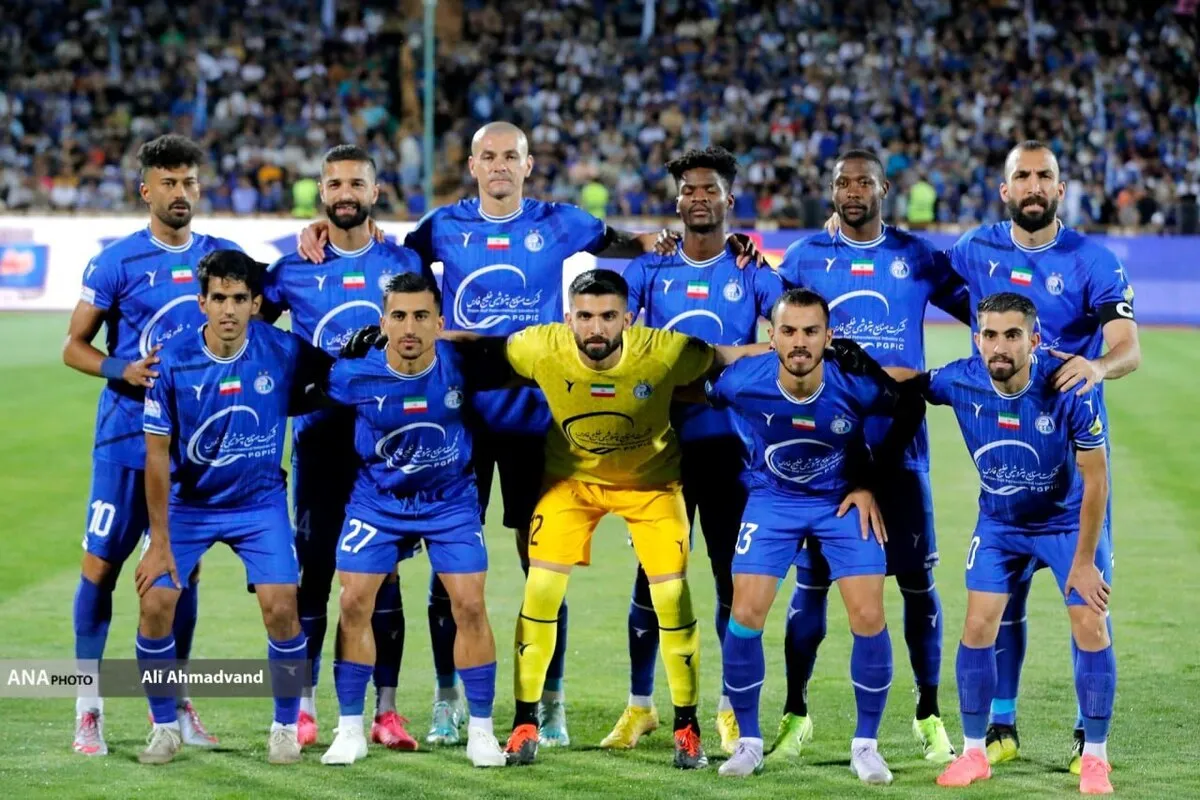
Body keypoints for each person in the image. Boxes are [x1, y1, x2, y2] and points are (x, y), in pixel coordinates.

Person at [296, 120, 761, 748]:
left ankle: (549, 703)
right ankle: (437, 700)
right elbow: (392, 260)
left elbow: (634, 241)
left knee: (543, 566)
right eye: (487, 156)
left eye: (509, 156)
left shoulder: (561, 222)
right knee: (436, 570)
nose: (498, 166)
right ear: (472, 164)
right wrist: (328, 229)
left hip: (536, 419)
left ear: (527, 165)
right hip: (459, 417)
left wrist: (720, 242)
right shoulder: (439, 226)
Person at [450, 268, 765, 769]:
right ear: (568, 318)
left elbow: (727, 357)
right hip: (571, 485)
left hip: (652, 486)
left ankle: (686, 726)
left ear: (628, 319)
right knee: (540, 591)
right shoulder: (539, 347)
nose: (596, 328)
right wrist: (417, 338)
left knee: (671, 598)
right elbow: (478, 348)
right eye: (585, 317)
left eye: (608, 317)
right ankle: (526, 722)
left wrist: (795, 350)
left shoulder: (666, 351)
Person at [946, 142, 1139, 772]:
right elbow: (919, 275)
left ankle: (1089, 735)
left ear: (1060, 188)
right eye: (1022, 176)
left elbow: (1128, 347)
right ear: (1005, 189)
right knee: (1001, 603)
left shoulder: (1092, 259)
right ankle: (1000, 725)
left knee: (1086, 600)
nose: (1034, 185)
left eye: (1045, 176)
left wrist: (1096, 367)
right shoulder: (975, 248)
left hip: (1070, 445)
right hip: (1007, 450)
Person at [774, 149, 969, 764]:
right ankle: (795, 713)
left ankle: (929, 713)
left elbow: (980, 309)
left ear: (884, 188)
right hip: (825, 450)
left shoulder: (917, 256)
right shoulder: (803, 257)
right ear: (831, 190)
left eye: (864, 181)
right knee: (813, 582)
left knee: (917, 582)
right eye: (842, 182)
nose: (853, 190)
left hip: (901, 447)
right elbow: (775, 328)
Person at [62, 134, 241, 756]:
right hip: (125, 442)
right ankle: (88, 708)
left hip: (192, 446)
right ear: (146, 190)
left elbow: (258, 313)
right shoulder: (116, 261)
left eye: (189, 181)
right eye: (168, 183)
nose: (180, 192)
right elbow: (74, 346)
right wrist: (123, 370)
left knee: (178, 573)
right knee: (101, 569)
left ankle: (175, 703)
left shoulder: (220, 258)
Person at [708, 289, 925, 785]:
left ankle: (866, 746)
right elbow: (699, 397)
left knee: (868, 614)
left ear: (829, 337)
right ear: (772, 337)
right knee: (745, 613)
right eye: (789, 331)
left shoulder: (853, 383)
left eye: (811, 332)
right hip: (772, 499)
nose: (799, 342)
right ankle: (748, 742)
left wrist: (870, 483)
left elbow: (910, 405)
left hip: (840, 501)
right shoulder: (743, 380)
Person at [605, 146, 781, 755]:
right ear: (677, 200)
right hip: (663, 450)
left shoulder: (752, 270)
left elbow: (792, 337)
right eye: (688, 190)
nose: (698, 198)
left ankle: (731, 709)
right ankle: (640, 706)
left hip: (733, 448)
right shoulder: (650, 268)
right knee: (652, 577)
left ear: (730, 199)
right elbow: (617, 343)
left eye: (709, 189)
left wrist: (718, 360)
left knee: (733, 580)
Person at [262, 145, 431, 751]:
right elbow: (252, 330)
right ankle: (302, 709)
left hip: (387, 445)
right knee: (314, 572)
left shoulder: (403, 260)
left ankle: (387, 713)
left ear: (375, 192)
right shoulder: (291, 270)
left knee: (384, 576)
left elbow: (425, 333)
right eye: (334, 184)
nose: (345, 193)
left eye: (356, 183)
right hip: (320, 440)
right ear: (322, 192)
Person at [913, 292, 1115, 795]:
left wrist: (1084, 562)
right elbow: (909, 385)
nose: (999, 346)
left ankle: (1095, 757)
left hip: (1066, 524)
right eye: (989, 335)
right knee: (978, 624)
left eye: (1012, 335)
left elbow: (1097, 479)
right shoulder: (959, 379)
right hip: (1000, 526)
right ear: (976, 338)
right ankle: (974, 753)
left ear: (1035, 339)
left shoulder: (1069, 386)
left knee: (1090, 624)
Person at [135, 250, 331, 765]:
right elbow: (155, 456)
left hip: (258, 502)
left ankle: (284, 728)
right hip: (189, 504)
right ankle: (163, 727)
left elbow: (336, 375)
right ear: (201, 302)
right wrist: (158, 541)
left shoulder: (282, 348)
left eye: (239, 299)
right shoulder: (171, 360)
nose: (228, 309)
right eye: (219, 298)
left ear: (255, 304)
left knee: (282, 607)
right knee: (154, 603)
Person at [319, 272, 511, 768]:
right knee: (353, 601)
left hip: (449, 501)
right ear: (383, 322)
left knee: (470, 604)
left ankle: (482, 732)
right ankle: (349, 729)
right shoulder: (351, 375)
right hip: (378, 501)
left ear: (440, 323)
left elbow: (516, 354)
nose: (410, 327)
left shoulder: (461, 364)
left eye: (422, 316)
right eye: (399, 316)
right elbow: (303, 396)